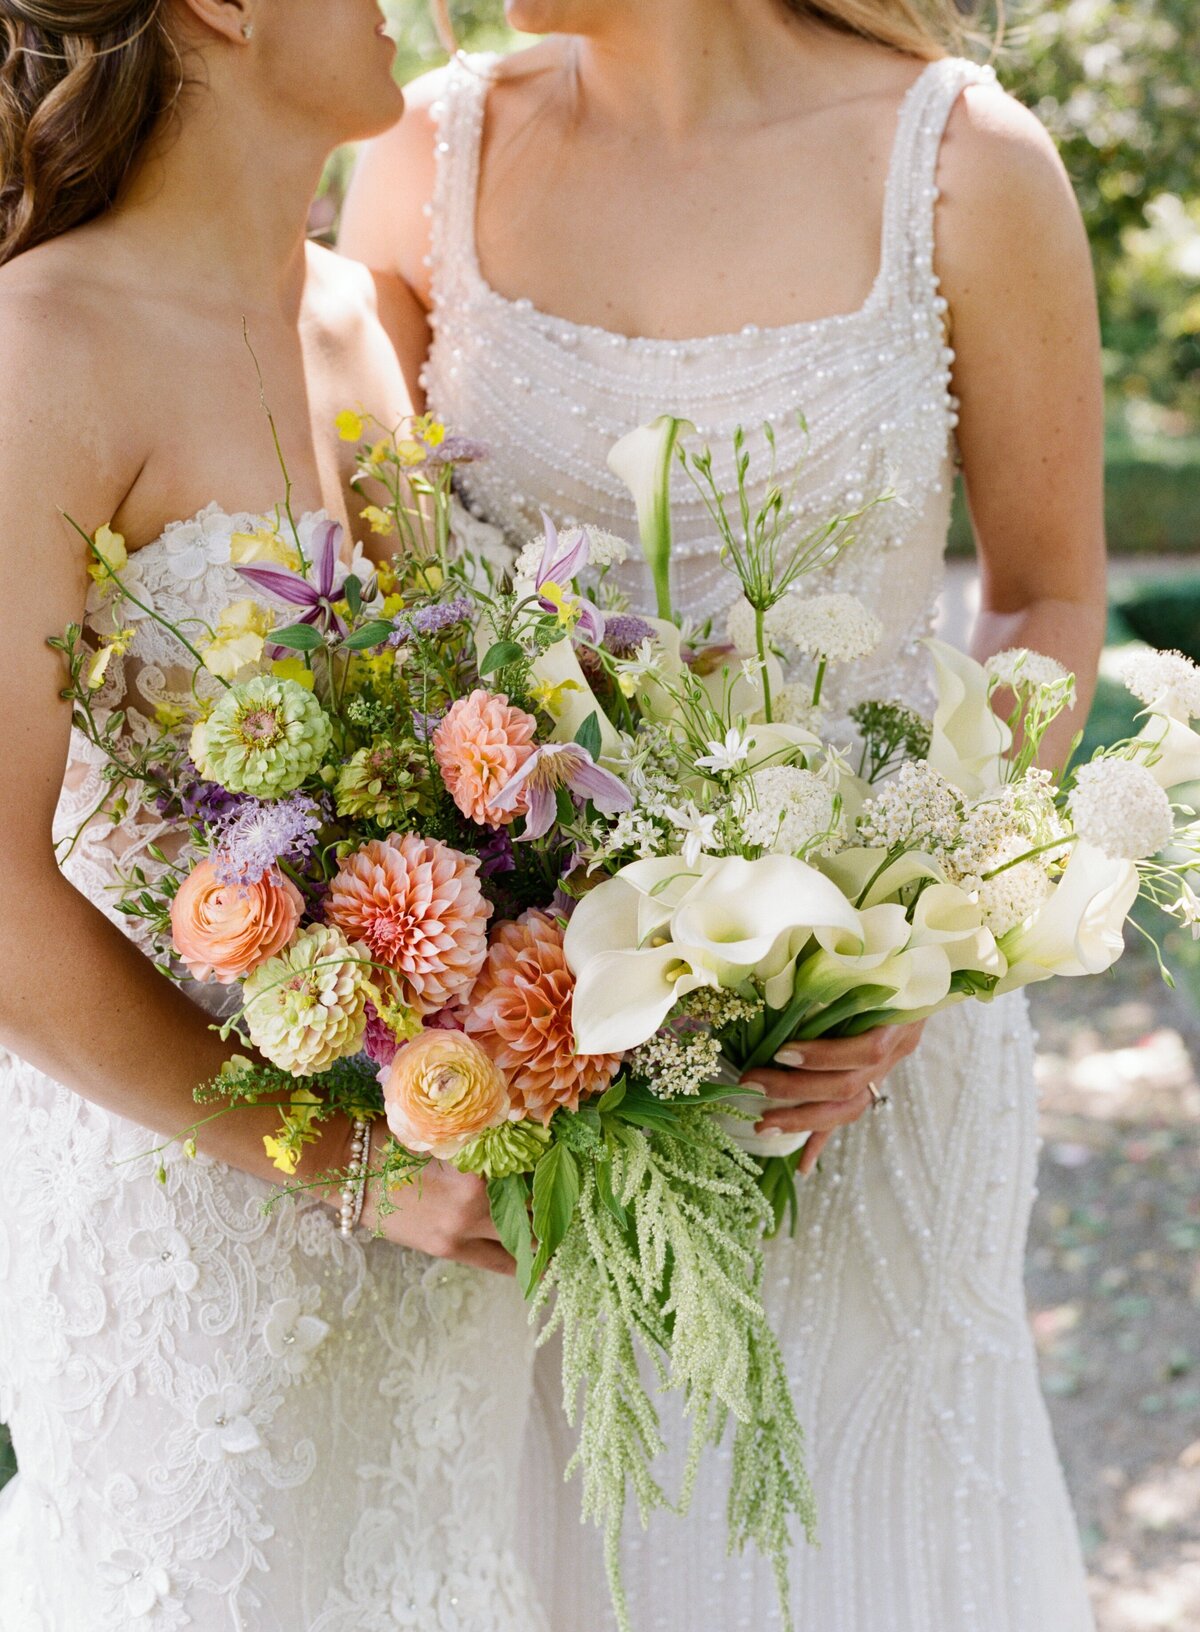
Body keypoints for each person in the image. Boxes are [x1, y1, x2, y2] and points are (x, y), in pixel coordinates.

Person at [340, 1, 1107, 1627]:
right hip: (545, 1053)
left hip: (867, 1064)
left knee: (873, 1535)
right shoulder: (422, 153)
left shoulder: (967, 165)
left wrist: (919, 941)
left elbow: (1043, 600)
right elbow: (393, 636)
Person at [0, 1, 547, 1626]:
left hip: (426, 1195)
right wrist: (346, 1169)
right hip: (196, 1218)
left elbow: (468, 744)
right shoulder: (41, 348)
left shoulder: (341, 324)